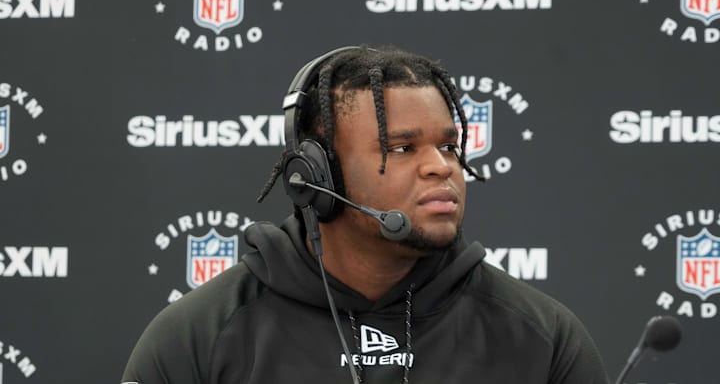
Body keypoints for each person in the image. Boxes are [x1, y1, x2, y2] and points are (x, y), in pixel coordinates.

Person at [121, 46, 610, 384]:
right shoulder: (199, 336)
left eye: (448, 146)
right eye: (402, 148)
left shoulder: (540, 336)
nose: (442, 167)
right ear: (317, 174)